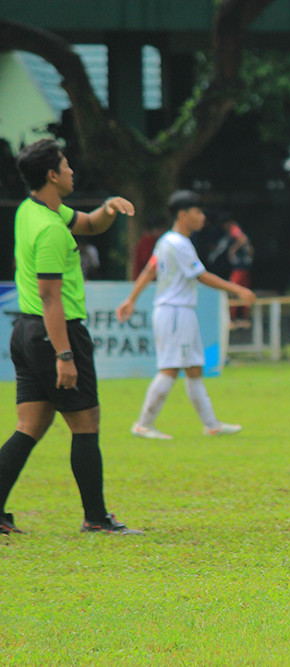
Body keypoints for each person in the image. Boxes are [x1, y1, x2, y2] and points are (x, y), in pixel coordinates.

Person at [0, 138, 141, 535]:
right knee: (85, 422)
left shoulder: (33, 211)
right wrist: (64, 354)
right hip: (54, 335)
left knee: (30, 425)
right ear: (52, 174)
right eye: (66, 165)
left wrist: (110, 207)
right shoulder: (50, 231)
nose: (71, 171)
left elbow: (91, 223)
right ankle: (96, 518)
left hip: (25, 332)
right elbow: (50, 298)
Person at [115, 191, 256, 440]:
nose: (202, 217)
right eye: (197, 212)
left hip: (178, 312)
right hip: (175, 311)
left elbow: (149, 270)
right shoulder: (179, 243)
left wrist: (131, 299)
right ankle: (143, 424)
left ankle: (211, 425)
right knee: (170, 368)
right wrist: (237, 289)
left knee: (193, 368)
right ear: (183, 214)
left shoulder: (167, 241)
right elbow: (201, 275)